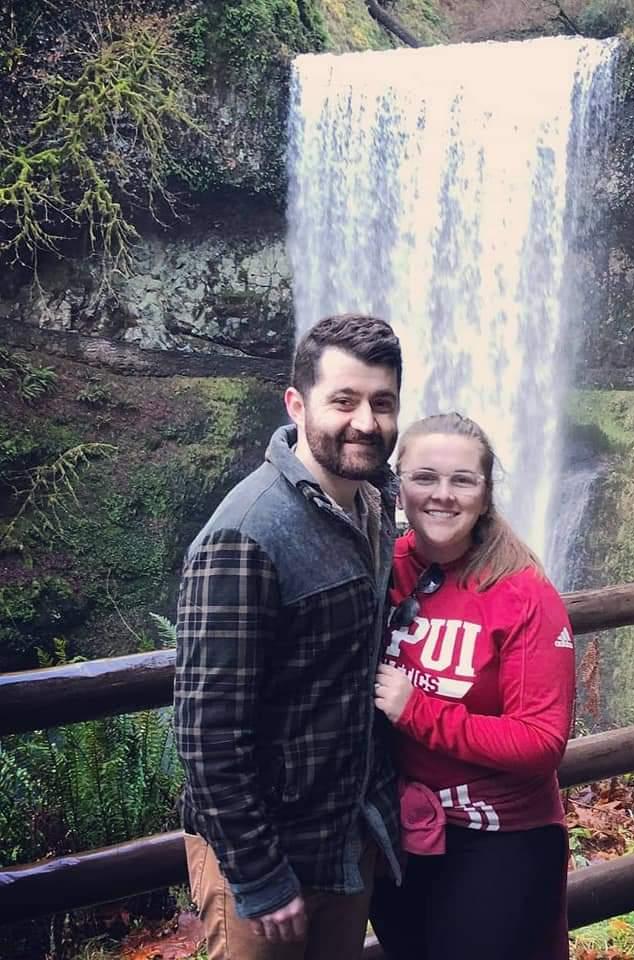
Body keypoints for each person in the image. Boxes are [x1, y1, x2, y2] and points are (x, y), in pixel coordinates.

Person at [173, 314, 404, 960]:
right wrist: (260, 876)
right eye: (344, 400)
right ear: (297, 405)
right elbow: (206, 734)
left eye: (382, 403)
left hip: (346, 845)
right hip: (267, 864)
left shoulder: (374, 508)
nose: (365, 421)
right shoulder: (244, 536)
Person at [369, 412, 576, 960]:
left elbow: (541, 742)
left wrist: (419, 711)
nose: (443, 495)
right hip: (397, 833)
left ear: (486, 495)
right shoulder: (377, 569)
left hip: (500, 838)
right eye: (425, 477)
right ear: (399, 486)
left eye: (463, 480)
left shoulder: (524, 594)